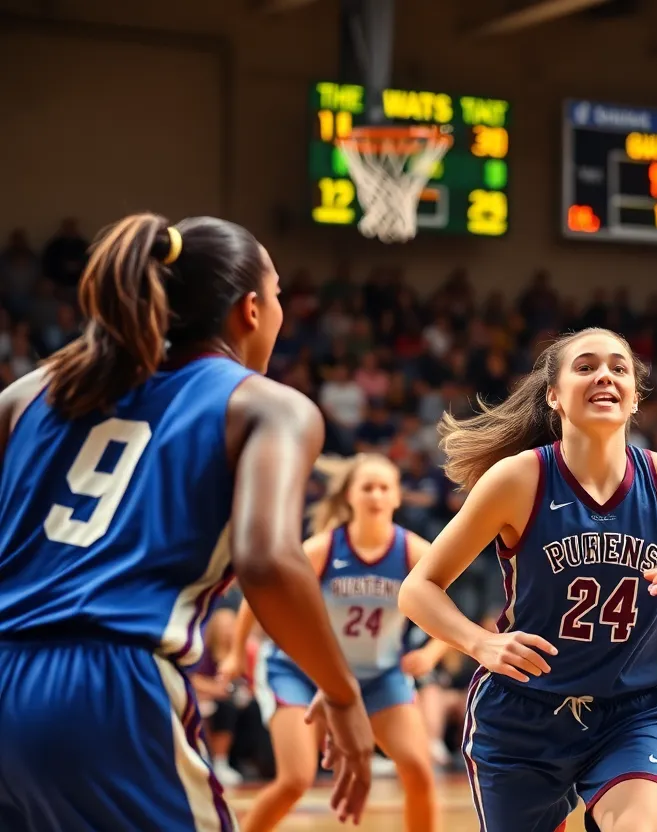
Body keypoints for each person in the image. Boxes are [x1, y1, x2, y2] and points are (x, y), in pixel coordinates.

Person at [0, 213, 375, 831]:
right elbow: (267, 561)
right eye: (278, 295)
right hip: (107, 687)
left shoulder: (26, 393)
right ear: (250, 310)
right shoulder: (265, 406)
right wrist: (341, 691)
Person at [397, 327, 657, 832]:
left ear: (636, 397)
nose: (605, 376)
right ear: (553, 394)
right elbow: (418, 588)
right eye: (586, 366)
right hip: (522, 714)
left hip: (631, 712)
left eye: (619, 368)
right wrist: (480, 643)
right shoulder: (517, 479)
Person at [228, 453, 441, 831]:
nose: (376, 495)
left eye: (384, 488)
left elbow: (452, 611)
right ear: (349, 497)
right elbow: (258, 596)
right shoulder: (323, 548)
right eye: (367, 487)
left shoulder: (415, 552)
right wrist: (234, 652)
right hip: (300, 671)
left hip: (378, 675)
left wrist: (432, 651)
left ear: (396, 497)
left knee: (419, 771)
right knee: (295, 780)